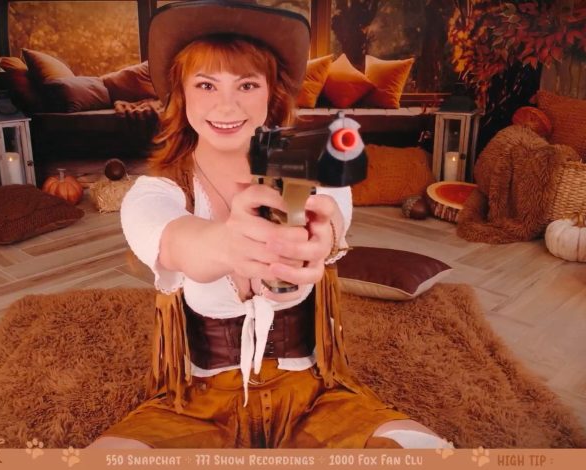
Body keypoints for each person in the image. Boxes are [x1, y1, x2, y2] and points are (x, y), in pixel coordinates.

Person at [88, 0, 454, 449]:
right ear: (181, 95)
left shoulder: (312, 174)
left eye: (246, 84)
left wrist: (324, 236)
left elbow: (332, 214)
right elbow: (172, 241)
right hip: (195, 407)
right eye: (206, 84)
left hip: (316, 400)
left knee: (424, 451)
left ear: (271, 94)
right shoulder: (154, 191)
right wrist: (227, 243)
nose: (226, 104)